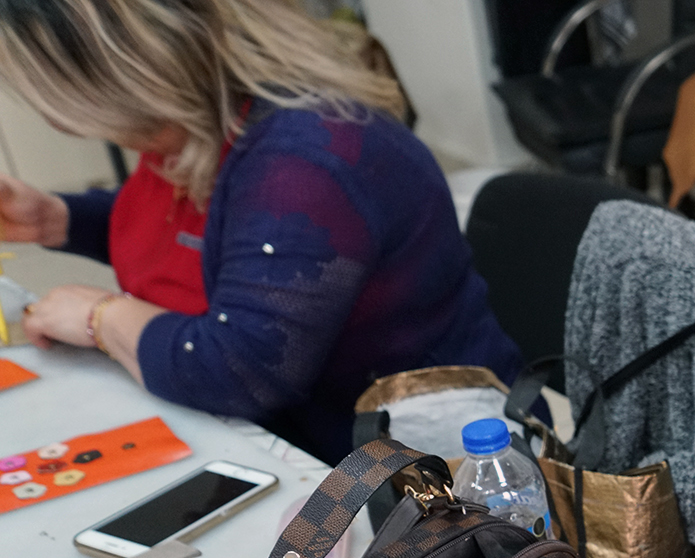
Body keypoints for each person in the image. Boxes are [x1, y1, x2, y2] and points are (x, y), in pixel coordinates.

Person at [0, 0, 522, 464]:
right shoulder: (214, 123)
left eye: (54, 96)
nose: (54, 120)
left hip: (422, 468)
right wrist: (56, 219)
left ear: (122, 72)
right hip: (316, 441)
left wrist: (101, 316)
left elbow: (240, 370)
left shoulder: (305, 160)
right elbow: (218, 226)